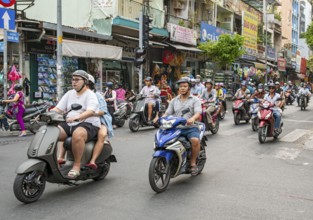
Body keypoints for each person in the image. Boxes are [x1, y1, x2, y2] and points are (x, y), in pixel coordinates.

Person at [52, 70, 101, 179]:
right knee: (52, 131)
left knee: (77, 134)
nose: (74, 82)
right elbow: (58, 108)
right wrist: (47, 114)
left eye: (77, 80)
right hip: (70, 123)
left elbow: (91, 111)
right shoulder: (69, 93)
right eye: (73, 79)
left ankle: (76, 166)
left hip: (88, 124)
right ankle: (53, 161)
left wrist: (78, 117)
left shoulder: (90, 95)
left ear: (85, 81)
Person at [163, 78, 202, 176]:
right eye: (180, 86)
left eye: (185, 86)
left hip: (191, 127)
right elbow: (167, 113)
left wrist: (192, 119)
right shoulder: (174, 100)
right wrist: (161, 119)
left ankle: (192, 163)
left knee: (195, 141)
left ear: (189, 88)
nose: (182, 88)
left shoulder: (195, 100)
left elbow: (198, 112)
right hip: (175, 128)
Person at [85, 74, 114, 169]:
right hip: (82, 121)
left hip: (99, 121)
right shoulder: (75, 95)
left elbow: (103, 111)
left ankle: (93, 160)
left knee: (101, 135)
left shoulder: (97, 95)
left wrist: (89, 113)